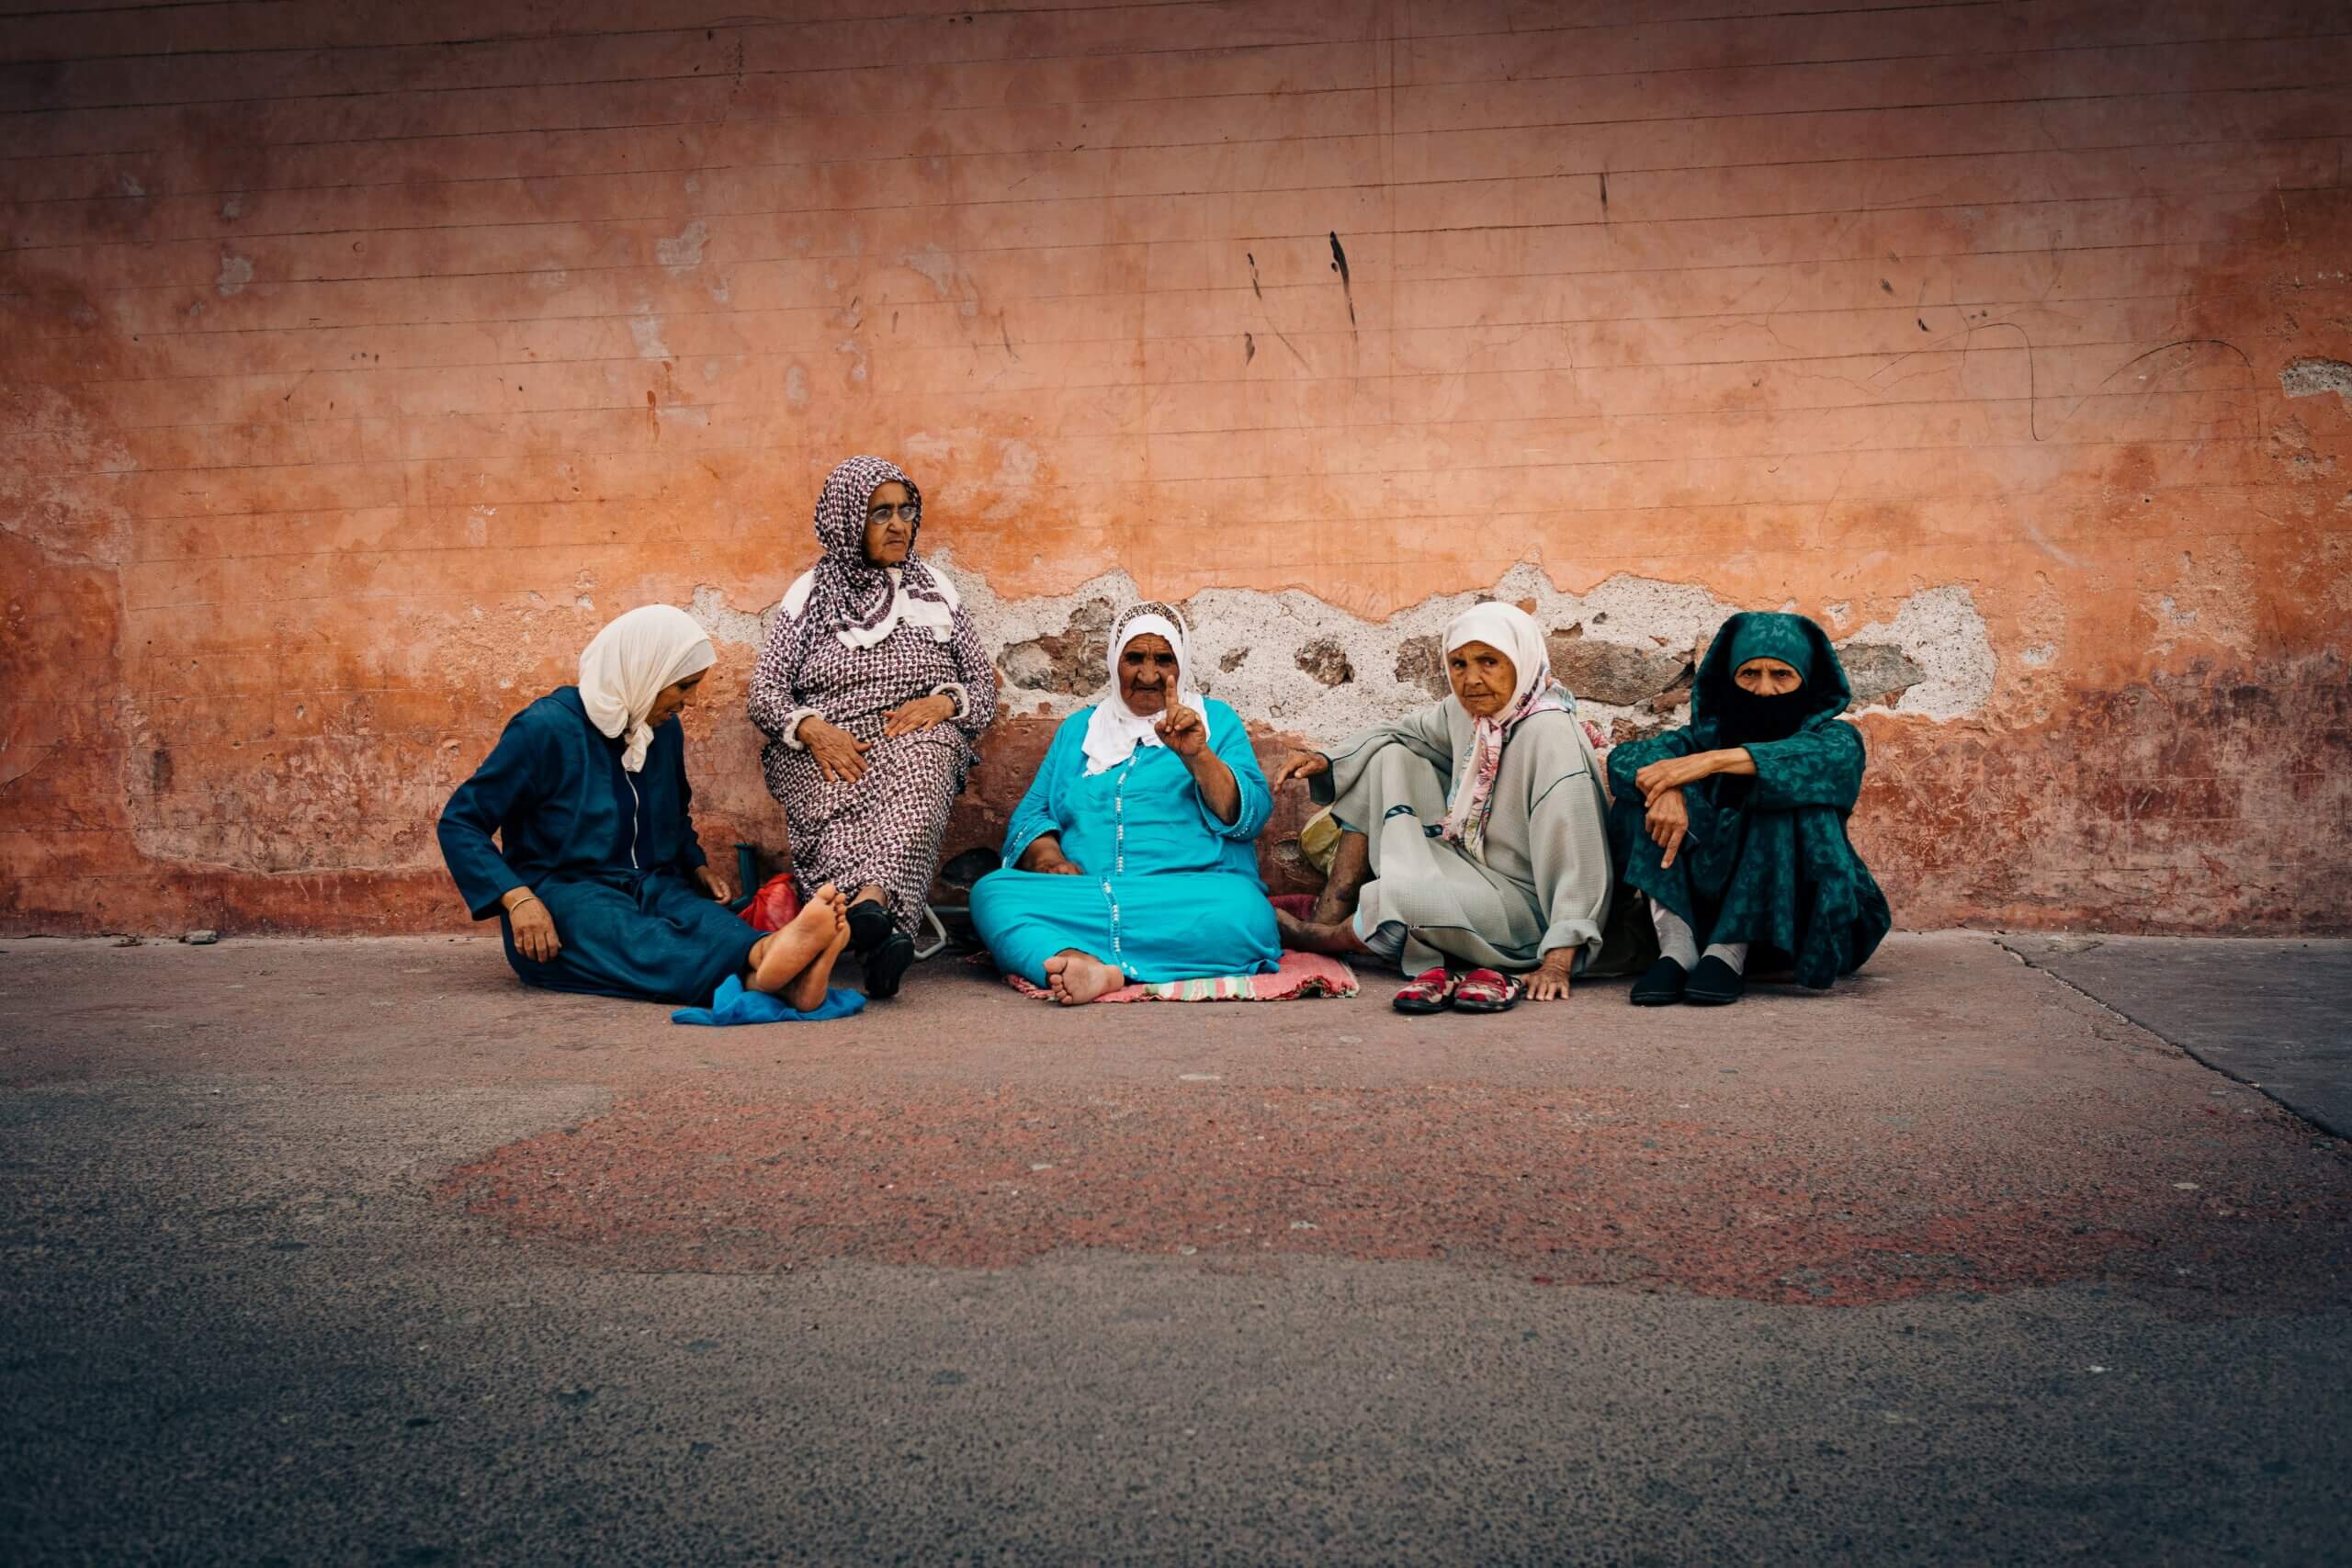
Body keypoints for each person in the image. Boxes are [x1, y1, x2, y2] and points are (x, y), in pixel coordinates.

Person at [438, 605, 852, 1010]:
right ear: (645, 673)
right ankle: (772, 969)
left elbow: (674, 813)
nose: (689, 702)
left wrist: (695, 865)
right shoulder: (545, 729)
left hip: (650, 882)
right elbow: (461, 822)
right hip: (564, 892)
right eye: (683, 686)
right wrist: (517, 899)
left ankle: (772, 965)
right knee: (635, 936)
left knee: (706, 921)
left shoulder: (662, 730)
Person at [1270, 603, 1614, 1012]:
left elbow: (1580, 857)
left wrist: (1558, 960)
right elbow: (1401, 732)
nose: (1471, 680)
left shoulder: (1550, 734)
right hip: (1468, 863)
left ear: (1521, 661)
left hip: (1525, 908)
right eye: (1459, 663)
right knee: (1387, 755)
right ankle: (1334, 906)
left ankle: (1320, 937)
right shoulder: (1467, 712)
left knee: (1400, 898)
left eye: (1489, 661)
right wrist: (1327, 760)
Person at [748, 455, 998, 998]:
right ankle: (878, 933)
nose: (898, 525)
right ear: (847, 519)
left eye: (905, 511)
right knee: (839, 794)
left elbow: (983, 687)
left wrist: (946, 705)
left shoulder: (935, 588)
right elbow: (764, 693)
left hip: (914, 733)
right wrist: (811, 728)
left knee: (926, 763)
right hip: (822, 743)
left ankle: (867, 908)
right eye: (880, 512)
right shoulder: (809, 595)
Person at [968, 601, 1281, 1005]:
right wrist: (1048, 859)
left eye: (1164, 659)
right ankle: (1083, 964)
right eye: (1134, 658)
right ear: (1115, 661)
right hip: (1090, 896)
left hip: (1191, 895)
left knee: (1245, 913)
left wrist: (1197, 756)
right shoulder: (1080, 730)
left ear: (1181, 663)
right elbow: (1034, 812)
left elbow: (1249, 817)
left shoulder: (1215, 721)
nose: (1149, 675)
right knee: (992, 894)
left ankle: (1072, 956)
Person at [1605, 611, 1891, 1006]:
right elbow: (1625, 759)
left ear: (1806, 680)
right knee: (1640, 797)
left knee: (1784, 795)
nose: (1764, 690)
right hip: (1703, 910)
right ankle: (1677, 949)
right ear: (1730, 679)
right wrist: (1667, 789)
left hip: (1798, 921)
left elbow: (1814, 762)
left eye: (1782, 675)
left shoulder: (1836, 738)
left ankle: (1729, 952)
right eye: (1749, 674)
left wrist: (1711, 762)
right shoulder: (1704, 736)